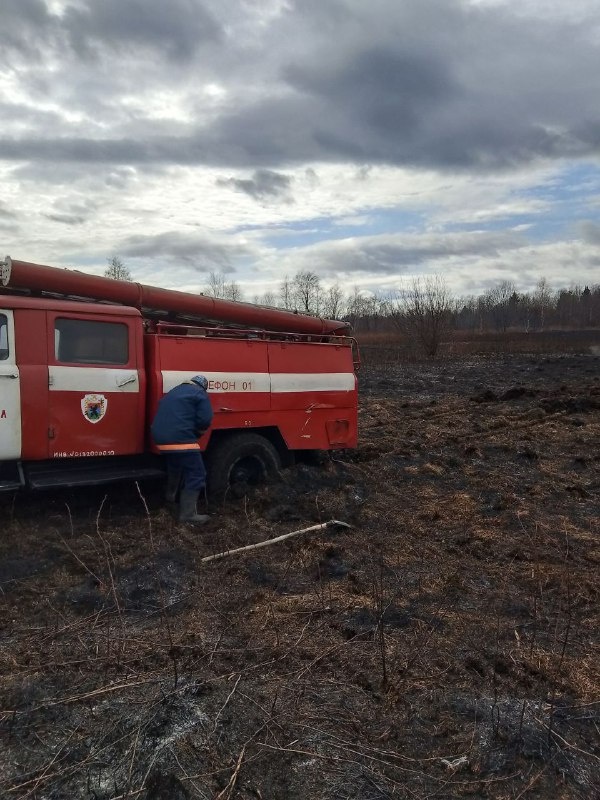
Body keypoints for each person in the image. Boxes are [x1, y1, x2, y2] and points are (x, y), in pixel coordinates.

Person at [151, 375, 213, 524]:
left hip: (160, 439)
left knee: (176, 468)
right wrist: (199, 432)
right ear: (203, 386)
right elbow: (205, 418)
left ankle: (170, 501)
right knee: (197, 474)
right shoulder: (199, 392)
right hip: (180, 439)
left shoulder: (173, 392)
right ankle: (188, 515)